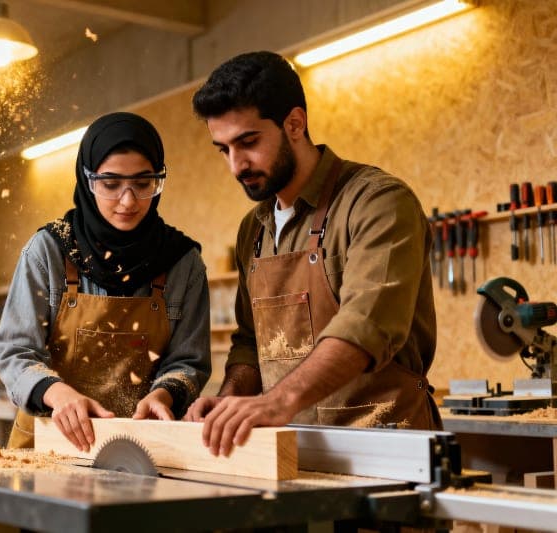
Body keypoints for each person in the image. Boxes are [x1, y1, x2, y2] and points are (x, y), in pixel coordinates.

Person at [184, 51, 441, 457]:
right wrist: (231, 397)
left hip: (387, 451)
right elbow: (251, 341)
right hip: (293, 454)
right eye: (224, 149)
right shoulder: (255, 229)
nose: (237, 165)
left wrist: (277, 401)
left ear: (295, 124)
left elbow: (364, 327)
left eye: (248, 142)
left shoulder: (377, 203)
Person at [0, 111, 211, 452]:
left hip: (139, 449)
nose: (128, 201)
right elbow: (16, 352)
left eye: (143, 184)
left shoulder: (182, 262)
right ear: (87, 179)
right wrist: (58, 393)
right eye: (110, 184)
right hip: (49, 446)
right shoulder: (49, 251)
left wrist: (165, 392)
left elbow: (189, 362)